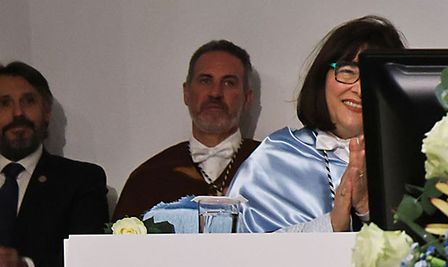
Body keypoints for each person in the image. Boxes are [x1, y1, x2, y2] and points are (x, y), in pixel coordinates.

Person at [228, 16, 403, 232]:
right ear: (322, 77)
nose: (359, 89)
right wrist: (332, 223)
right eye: (348, 71)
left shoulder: (413, 162)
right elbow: (239, 253)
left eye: (374, 77)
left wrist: (368, 210)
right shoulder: (276, 157)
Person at [113, 40, 260, 218]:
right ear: (187, 93)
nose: (215, 93)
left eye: (229, 83)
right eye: (205, 81)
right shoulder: (148, 177)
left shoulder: (272, 169)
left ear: (246, 98)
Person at [0, 62, 108, 267]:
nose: (18, 113)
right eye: (4, 103)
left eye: (29, 101)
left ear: (47, 110)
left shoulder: (82, 180)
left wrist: (25, 265)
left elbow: (90, 259)